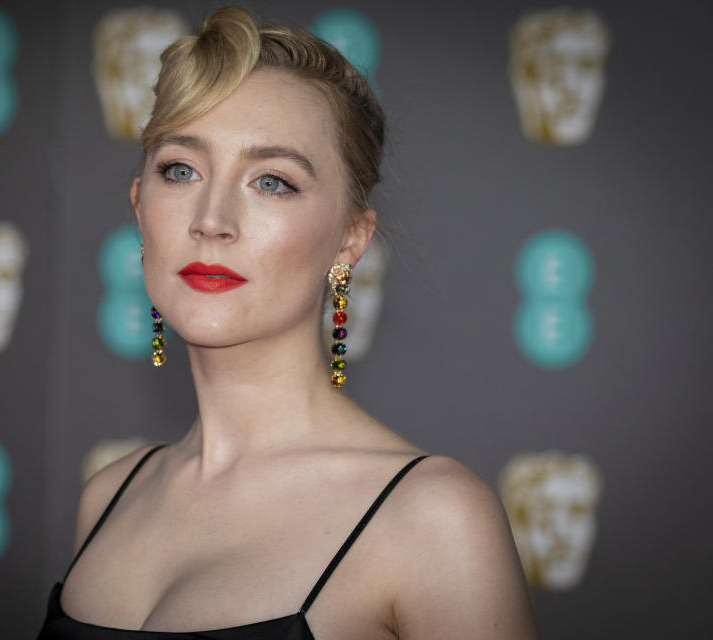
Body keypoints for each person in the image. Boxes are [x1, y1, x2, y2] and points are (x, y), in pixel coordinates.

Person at [39, 6, 539, 639]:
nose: (212, 219)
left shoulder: (434, 518)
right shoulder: (109, 496)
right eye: (180, 170)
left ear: (350, 241)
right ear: (141, 209)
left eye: (272, 181)